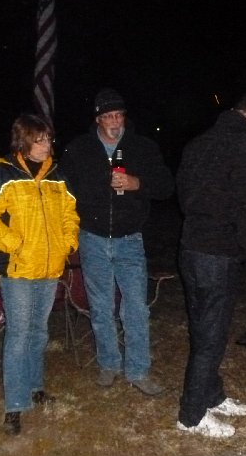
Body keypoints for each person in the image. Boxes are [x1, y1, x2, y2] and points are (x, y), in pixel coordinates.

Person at [60, 88, 175, 396]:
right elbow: (64, 190)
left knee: (136, 307)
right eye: (108, 116)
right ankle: (109, 364)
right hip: (93, 238)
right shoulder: (79, 149)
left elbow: (166, 185)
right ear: (97, 119)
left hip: (129, 240)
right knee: (100, 306)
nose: (114, 122)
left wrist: (137, 183)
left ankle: (138, 370)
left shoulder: (142, 147)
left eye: (119, 115)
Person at [0, 114, 79, 435]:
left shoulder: (57, 177)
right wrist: (12, 243)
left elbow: (70, 214)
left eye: (49, 139)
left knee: (38, 333)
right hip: (17, 269)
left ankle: (35, 387)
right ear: (24, 141)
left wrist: (68, 242)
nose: (48, 145)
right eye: (41, 139)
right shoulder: (2, 175)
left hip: (49, 268)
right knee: (19, 335)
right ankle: (15, 406)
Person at [175, 92, 246, 438]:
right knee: (211, 334)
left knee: (203, 327)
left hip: (191, 247)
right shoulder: (244, 145)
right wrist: (245, 246)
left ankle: (212, 395)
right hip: (216, 251)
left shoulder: (198, 144)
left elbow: (184, 196)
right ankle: (191, 415)